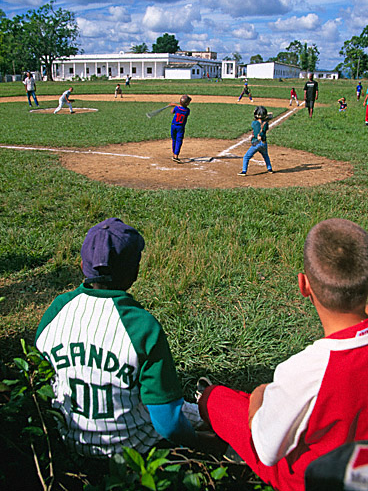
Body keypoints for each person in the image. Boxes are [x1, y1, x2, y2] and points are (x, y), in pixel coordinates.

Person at [198, 218, 368, 491]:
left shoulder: (306, 368)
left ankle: (207, 400)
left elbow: (266, 450)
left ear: (304, 286)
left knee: (216, 399)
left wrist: (258, 398)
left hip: (312, 478)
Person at [35, 217, 203, 458]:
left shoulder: (57, 309)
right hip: (131, 450)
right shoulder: (142, 327)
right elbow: (168, 423)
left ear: (83, 264)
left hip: (69, 439)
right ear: (134, 271)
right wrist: (196, 442)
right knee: (194, 412)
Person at [238, 106, 273, 176]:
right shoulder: (266, 124)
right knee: (266, 156)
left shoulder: (254, 123)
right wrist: (265, 120)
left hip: (256, 144)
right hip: (264, 143)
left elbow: (255, 124)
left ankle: (244, 171)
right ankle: (270, 169)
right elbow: (264, 126)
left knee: (246, 157)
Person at [170, 94, 191, 163]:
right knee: (179, 141)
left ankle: (174, 154)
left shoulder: (177, 108)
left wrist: (174, 105)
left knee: (174, 140)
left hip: (173, 126)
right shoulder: (187, 110)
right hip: (180, 127)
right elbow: (182, 108)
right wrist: (176, 105)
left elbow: (172, 111)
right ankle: (176, 155)